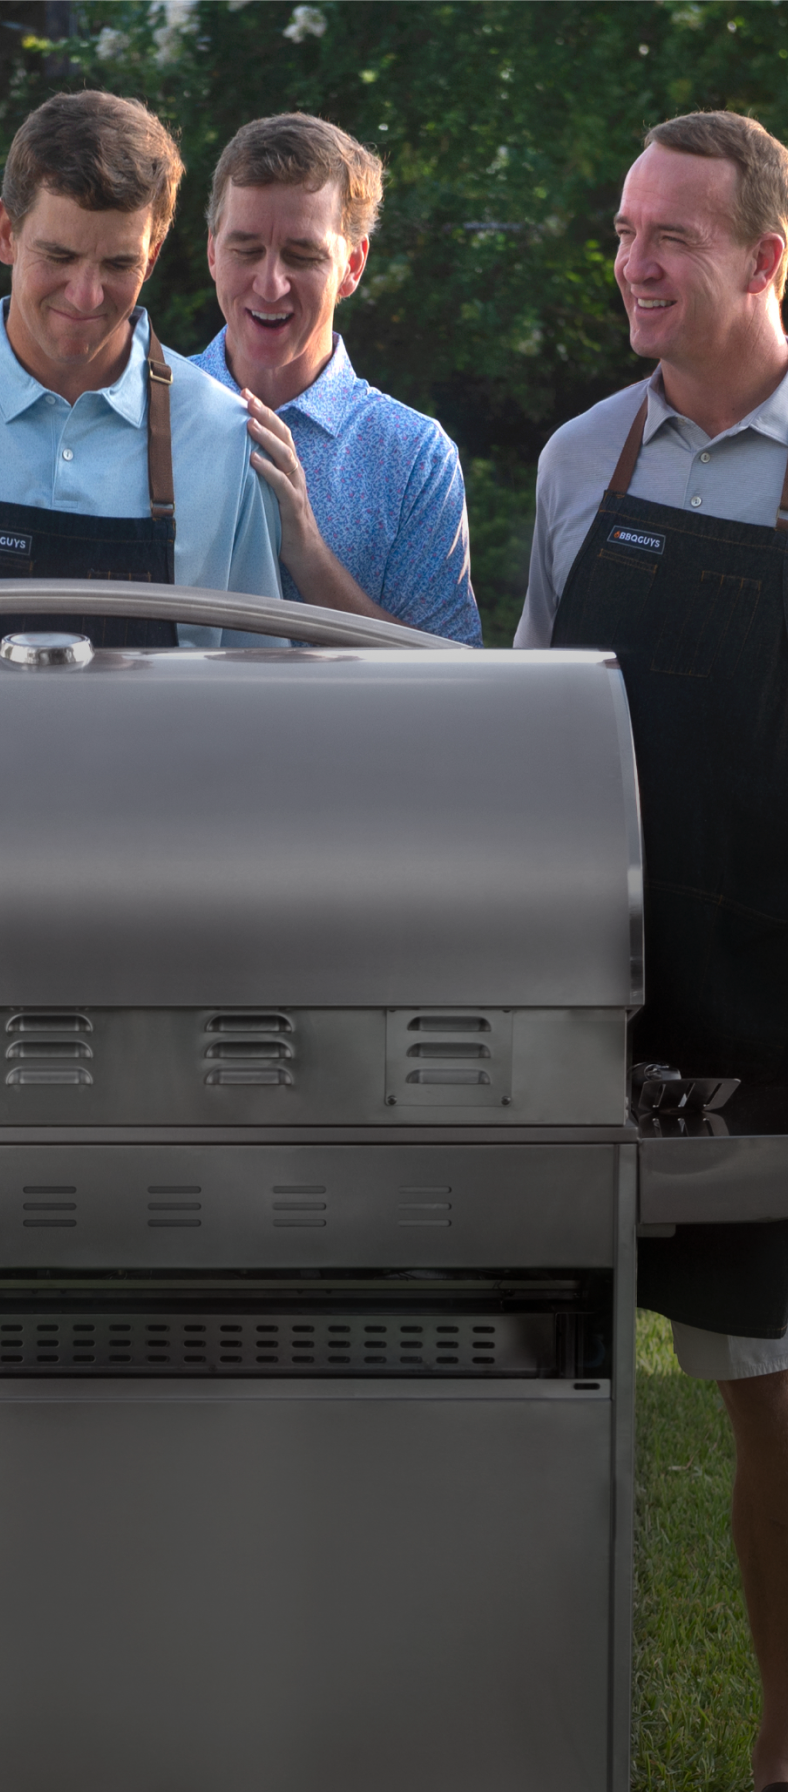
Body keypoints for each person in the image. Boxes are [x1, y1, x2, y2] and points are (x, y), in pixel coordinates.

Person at [515, 109, 788, 1792]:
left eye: (668, 237)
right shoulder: (573, 462)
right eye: (621, 231)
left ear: (764, 259)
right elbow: (536, 726)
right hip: (597, 1004)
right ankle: (537, 1727)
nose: (630, 264)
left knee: (768, 1396)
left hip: (773, 1017)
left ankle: (781, 1741)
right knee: (547, 1389)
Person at [0, 89, 283, 651]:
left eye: (118, 263)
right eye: (58, 256)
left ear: (152, 255)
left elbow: (257, 695)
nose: (86, 295)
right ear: (5, 232)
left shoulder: (223, 437)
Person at [192, 112, 482, 646]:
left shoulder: (414, 457)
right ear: (212, 251)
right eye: (246, 250)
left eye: (302, 255)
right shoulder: (145, 409)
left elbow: (453, 682)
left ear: (353, 265)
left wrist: (309, 552)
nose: (270, 283)